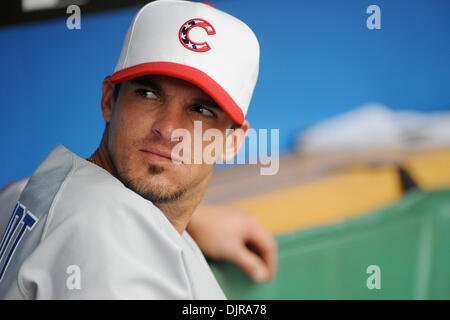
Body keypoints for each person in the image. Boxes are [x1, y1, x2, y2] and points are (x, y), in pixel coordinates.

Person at [0, 0, 277, 299]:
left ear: (232, 141)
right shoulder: (114, 253)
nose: (169, 129)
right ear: (109, 100)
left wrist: (189, 221)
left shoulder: (40, 190)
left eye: (201, 110)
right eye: (148, 94)